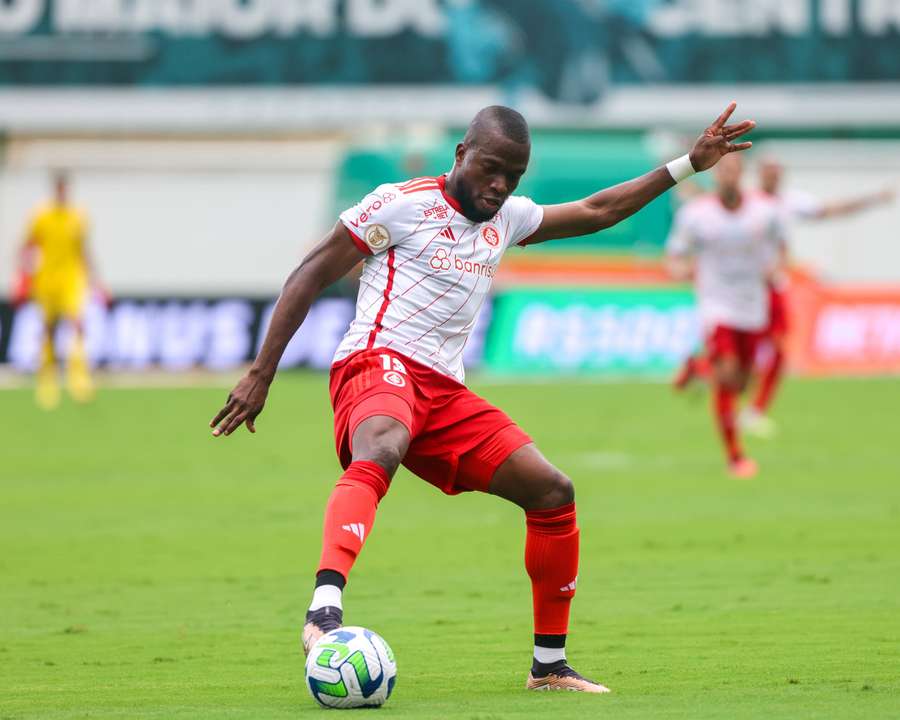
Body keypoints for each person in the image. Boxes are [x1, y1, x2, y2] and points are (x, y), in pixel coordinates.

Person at [210, 103, 756, 692]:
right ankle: (323, 610)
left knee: (552, 492)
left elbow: (601, 211)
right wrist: (262, 372)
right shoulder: (401, 203)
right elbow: (310, 274)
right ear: (461, 155)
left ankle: (548, 667)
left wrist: (687, 166)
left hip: (445, 392)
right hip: (377, 363)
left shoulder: (510, 217)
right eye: (491, 169)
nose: (500, 187)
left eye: (513, 177)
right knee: (383, 444)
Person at [739, 159, 895, 435]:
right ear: (758, 175)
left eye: (777, 173)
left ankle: (755, 410)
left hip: (772, 287)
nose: (773, 177)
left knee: (775, 348)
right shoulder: (746, 203)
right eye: (768, 172)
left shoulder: (788, 203)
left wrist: (872, 199)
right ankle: (706, 374)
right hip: (743, 287)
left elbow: (830, 210)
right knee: (740, 351)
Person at [666, 154, 784, 478]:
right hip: (716, 305)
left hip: (752, 304)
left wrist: (776, 267)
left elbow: (779, 246)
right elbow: (675, 253)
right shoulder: (696, 214)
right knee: (728, 377)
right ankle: (735, 457)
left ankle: (697, 367)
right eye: (723, 172)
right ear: (716, 176)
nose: (729, 177)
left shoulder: (765, 211)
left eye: (734, 171)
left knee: (742, 382)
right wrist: (680, 269)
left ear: (742, 174)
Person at [13, 171, 104, 409]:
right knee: (49, 330)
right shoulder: (40, 216)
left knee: (77, 325)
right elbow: (25, 247)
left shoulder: (77, 217)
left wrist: (96, 282)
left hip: (72, 280)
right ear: (55, 190)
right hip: (47, 280)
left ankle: (78, 379)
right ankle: (47, 381)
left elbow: (84, 251)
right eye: (60, 189)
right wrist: (21, 278)